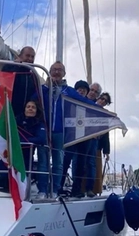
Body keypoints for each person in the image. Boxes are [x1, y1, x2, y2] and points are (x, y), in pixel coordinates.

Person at [36, 62, 96, 198]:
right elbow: (31, 102)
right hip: (43, 130)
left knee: (58, 163)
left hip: (59, 131)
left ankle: (55, 190)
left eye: (60, 70)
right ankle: (42, 190)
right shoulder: (42, 89)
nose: (56, 72)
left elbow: (84, 102)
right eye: (54, 70)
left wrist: (102, 112)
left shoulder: (68, 91)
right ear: (49, 71)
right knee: (43, 162)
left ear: (64, 73)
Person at [0, 100, 46, 191]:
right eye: (28, 107)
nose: (30, 109)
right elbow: (4, 132)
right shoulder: (15, 121)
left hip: (23, 164)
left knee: (20, 188)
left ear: (37, 110)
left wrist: (19, 141)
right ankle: (6, 185)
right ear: (24, 109)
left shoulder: (39, 125)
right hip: (6, 160)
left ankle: (9, 186)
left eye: (33, 107)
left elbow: (41, 139)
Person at [60, 79, 90, 193]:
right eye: (79, 89)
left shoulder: (90, 104)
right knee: (65, 161)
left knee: (81, 164)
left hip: (85, 137)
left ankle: (77, 189)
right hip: (71, 136)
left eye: (84, 89)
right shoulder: (69, 101)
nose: (81, 91)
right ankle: (59, 186)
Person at [2, 46, 38, 117]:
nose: (30, 59)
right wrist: (17, 66)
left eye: (32, 57)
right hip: (9, 114)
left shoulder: (33, 75)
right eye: (27, 56)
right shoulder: (9, 67)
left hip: (25, 116)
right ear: (20, 56)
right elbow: (2, 80)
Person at [94, 92, 112, 195]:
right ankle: (81, 190)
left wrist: (106, 151)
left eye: (105, 101)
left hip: (98, 144)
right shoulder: (88, 106)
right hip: (85, 143)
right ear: (98, 98)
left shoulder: (105, 114)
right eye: (102, 98)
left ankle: (95, 190)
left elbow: (106, 133)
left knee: (96, 168)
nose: (103, 101)